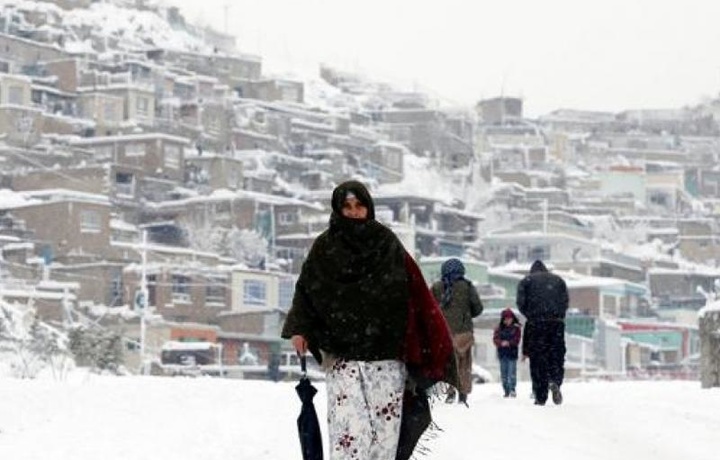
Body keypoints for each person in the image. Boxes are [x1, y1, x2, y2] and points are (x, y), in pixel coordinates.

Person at [281, 180, 458, 460]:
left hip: (386, 355)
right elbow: (306, 290)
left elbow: (416, 291)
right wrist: (298, 329)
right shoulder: (325, 248)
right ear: (338, 209)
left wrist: (434, 343)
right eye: (347, 206)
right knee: (347, 433)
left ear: (368, 207)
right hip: (342, 357)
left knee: (384, 436)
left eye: (358, 205)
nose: (353, 212)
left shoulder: (386, 243)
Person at [431, 258, 483, 405]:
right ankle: (463, 394)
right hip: (463, 332)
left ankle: (450, 392)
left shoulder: (437, 287)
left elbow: (429, 308)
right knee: (464, 364)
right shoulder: (467, 286)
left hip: (443, 333)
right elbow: (478, 308)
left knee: (448, 364)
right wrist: (466, 314)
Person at [516, 260, 569, 406]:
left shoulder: (526, 281)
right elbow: (565, 302)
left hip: (536, 323)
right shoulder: (558, 281)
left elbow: (521, 303)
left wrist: (532, 315)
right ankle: (555, 380)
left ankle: (540, 396)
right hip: (556, 323)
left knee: (538, 358)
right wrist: (558, 316)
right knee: (556, 355)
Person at [493, 308, 522, 398]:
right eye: (506, 319)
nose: (508, 320)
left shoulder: (516, 329)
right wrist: (501, 343)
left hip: (512, 354)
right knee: (504, 374)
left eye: (509, 318)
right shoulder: (498, 329)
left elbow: (517, 340)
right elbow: (495, 339)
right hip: (502, 355)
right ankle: (506, 390)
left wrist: (509, 343)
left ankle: (512, 389)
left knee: (512, 373)